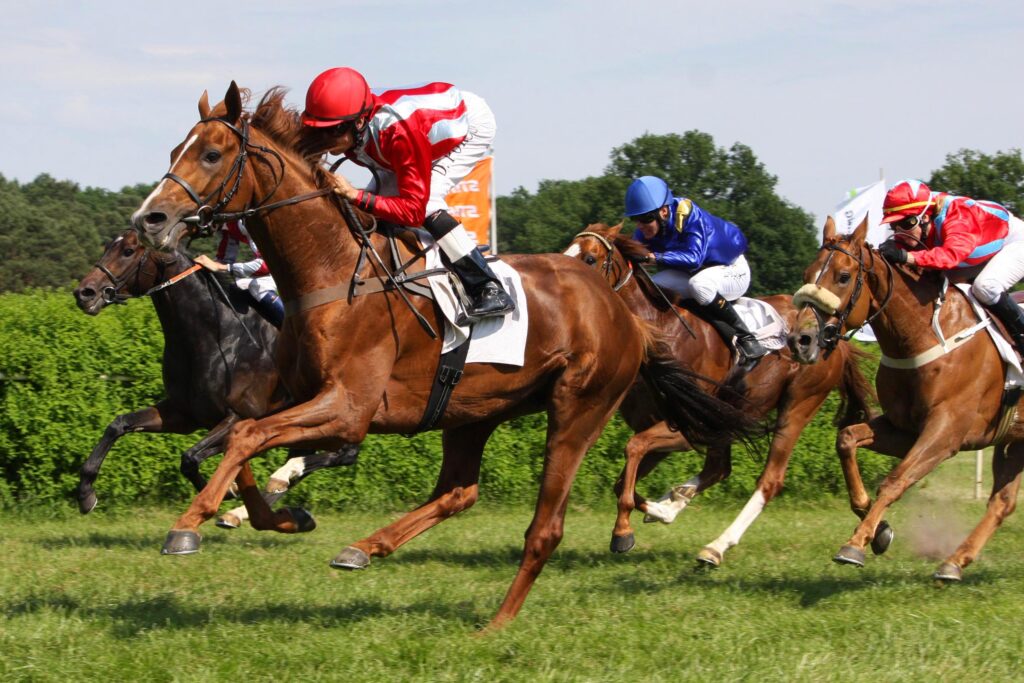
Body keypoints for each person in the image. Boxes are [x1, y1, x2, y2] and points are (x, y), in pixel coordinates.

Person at [298, 66, 514, 324]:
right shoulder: (345, 123)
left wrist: (355, 194)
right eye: (318, 129)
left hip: (468, 126)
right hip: (411, 134)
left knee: (427, 203)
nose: (323, 139)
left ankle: (487, 286)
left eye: (332, 131)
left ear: (359, 122)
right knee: (372, 204)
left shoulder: (397, 132)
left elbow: (413, 211)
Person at [625, 175, 767, 360]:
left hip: (732, 270)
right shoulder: (645, 230)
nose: (640, 225)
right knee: (651, 287)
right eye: (635, 219)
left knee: (700, 286)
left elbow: (693, 259)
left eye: (645, 219)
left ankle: (747, 337)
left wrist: (653, 257)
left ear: (664, 212)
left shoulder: (690, 216)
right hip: (694, 273)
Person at [878, 178, 1024, 356]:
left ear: (925, 217)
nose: (900, 232)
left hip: (1013, 243)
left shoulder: (958, 215)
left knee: (985, 286)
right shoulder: (919, 218)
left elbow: (950, 256)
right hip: (973, 255)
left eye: (906, 224)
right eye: (894, 225)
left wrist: (905, 256)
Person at [194, 219, 285, 328]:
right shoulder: (229, 225)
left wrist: (221, 267)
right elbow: (224, 260)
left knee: (259, 287)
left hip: (288, 266)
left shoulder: (253, 222)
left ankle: (297, 326)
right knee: (238, 285)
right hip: (275, 267)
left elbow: (267, 264)